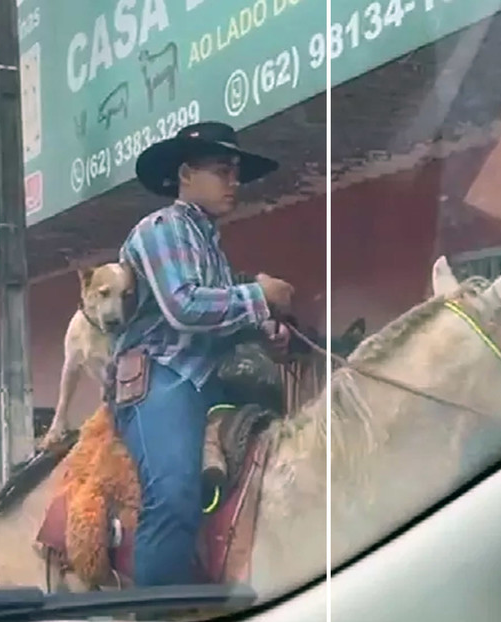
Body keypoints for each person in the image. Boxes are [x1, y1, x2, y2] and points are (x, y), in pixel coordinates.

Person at [111, 121, 295, 586]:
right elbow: (184, 306)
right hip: (161, 378)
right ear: (186, 174)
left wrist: (268, 332)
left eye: (236, 172)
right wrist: (260, 293)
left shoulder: (209, 246)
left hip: (210, 382)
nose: (234, 182)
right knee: (173, 495)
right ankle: (153, 615)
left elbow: (219, 321)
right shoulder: (162, 228)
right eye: (222, 170)